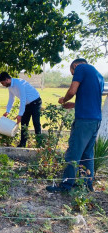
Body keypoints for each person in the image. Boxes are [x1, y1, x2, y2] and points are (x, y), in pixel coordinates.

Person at [46, 58, 104, 193]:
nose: (74, 74)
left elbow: (72, 91)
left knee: (74, 152)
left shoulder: (81, 68)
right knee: (87, 154)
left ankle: (66, 186)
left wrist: (64, 99)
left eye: (72, 73)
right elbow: (90, 98)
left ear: (74, 66)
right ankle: (87, 185)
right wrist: (73, 105)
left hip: (83, 121)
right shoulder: (98, 75)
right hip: (95, 120)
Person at [0, 72, 42, 147]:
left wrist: (20, 114)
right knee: (24, 124)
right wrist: (7, 111)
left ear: (7, 79)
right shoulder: (10, 87)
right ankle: (22, 144)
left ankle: (40, 144)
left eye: (3, 83)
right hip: (27, 104)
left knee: (36, 122)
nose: (3, 85)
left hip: (35, 102)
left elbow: (23, 99)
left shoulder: (19, 83)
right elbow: (11, 99)